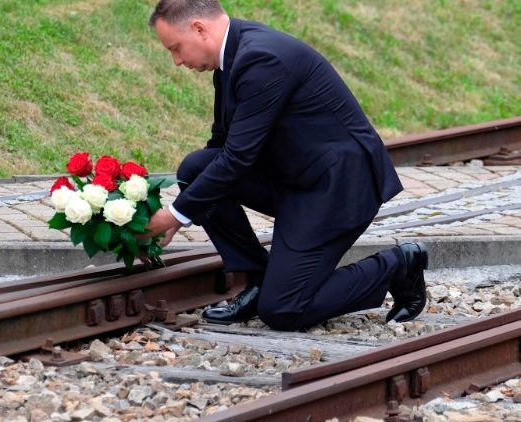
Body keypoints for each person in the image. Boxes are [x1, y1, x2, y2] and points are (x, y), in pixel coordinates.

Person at [142, 0, 428, 331]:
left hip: (337, 189)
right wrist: (184, 211)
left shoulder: (261, 58)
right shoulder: (231, 58)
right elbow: (223, 146)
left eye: (175, 48)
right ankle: (259, 279)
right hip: (296, 179)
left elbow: (238, 158)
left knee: (283, 310)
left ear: (199, 29)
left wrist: (175, 214)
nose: (176, 61)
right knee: (195, 169)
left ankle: (396, 265)